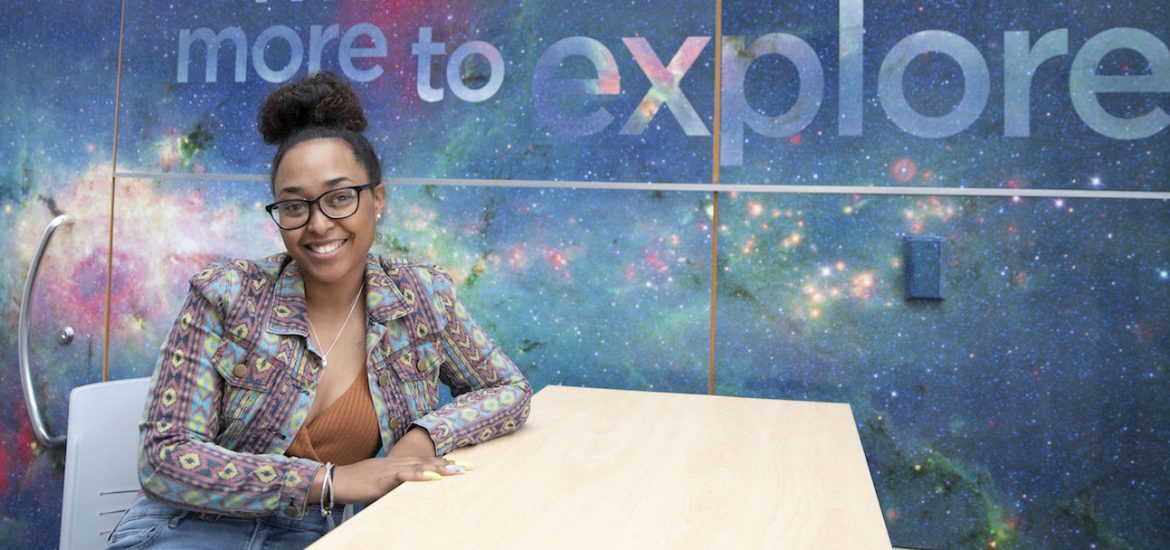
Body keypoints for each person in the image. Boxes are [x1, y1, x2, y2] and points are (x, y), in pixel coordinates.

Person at [107, 72, 532, 549]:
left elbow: (508, 389)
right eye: (295, 207)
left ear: (378, 200)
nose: (318, 224)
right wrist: (331, 482)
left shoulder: (421, 295)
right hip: (197, 529)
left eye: (339, 198)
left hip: (334, 534)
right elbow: (164, 460)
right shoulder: (226, 294)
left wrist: (424, 436)